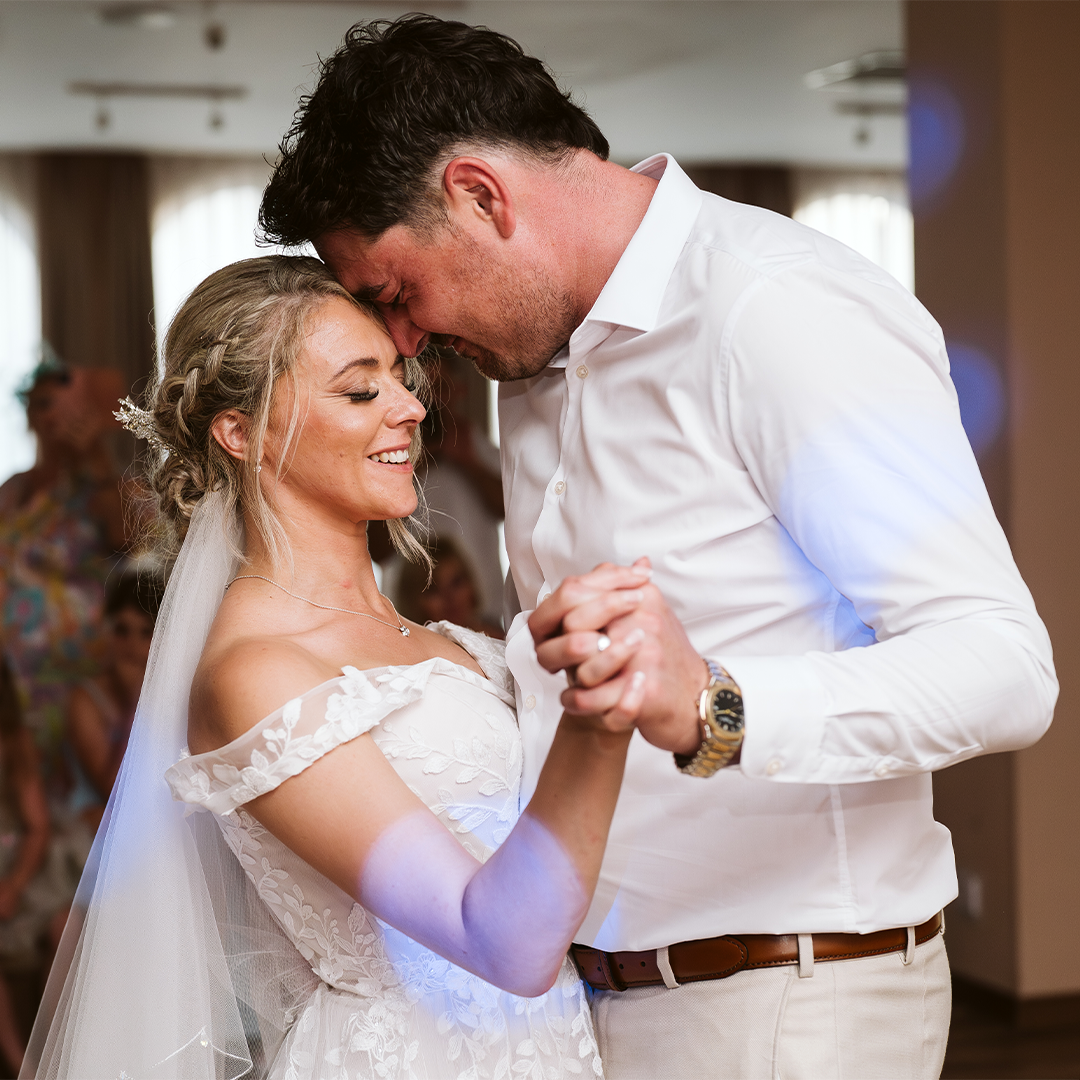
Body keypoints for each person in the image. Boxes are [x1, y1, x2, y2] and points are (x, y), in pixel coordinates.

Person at [257, 15, 1058, 1078]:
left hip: (786, 1000)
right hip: (581, 1005)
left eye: (398, 295)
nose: (403, 345)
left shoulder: (773, 310)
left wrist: (718, 707)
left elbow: (1004, 667)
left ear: (481, 196)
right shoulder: (532, 353)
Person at [23, 255, 650, 1079]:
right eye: (361, 392)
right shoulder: (258, 675)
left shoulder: (446, 640)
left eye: (400, 378)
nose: (410, 407)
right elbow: (501, 942)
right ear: (239, 433)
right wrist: (599, 717)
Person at [67, 570, 163, 833]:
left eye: (146, 632)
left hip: (152, 823)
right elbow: (115, 793)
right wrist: (138, 702)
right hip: (97, 829)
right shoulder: (85, 699)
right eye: (122, 630)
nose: (132, 644)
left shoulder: (177, 693)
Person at [0, 660, 51, 1077]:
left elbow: (37, 827)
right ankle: (19, 1064)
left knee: (61, 924)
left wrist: (13, 885)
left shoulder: (13, 741)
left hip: (12, 861)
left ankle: (41, 1061)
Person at [397, 536, 504, 640]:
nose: (449, 598)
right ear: (413, 600)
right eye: (433, 590)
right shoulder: (409, 653)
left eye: (456, 582)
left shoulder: (504, 642)